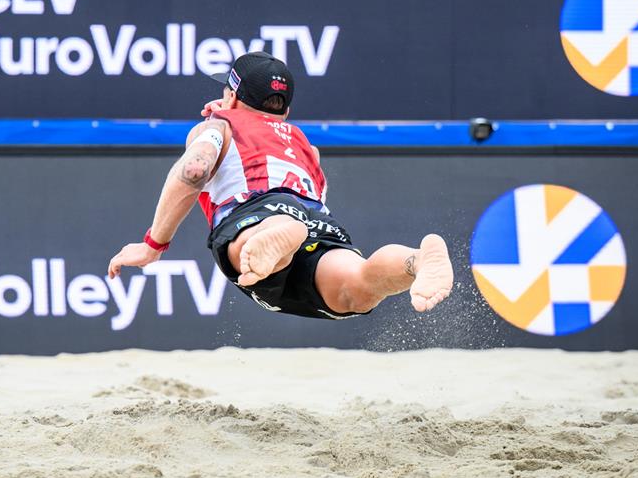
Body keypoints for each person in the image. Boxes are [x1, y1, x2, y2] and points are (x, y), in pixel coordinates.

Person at [106, 51, 454, 320]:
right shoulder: (305, 145)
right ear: (283, 110)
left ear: (232, 96)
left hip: (259, 211)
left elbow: (195, 170)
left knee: (252, 247)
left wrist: (153, 244)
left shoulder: (219, 124)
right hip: (315, 218)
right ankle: (416, 261)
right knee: (357, 288)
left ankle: (279, 233)